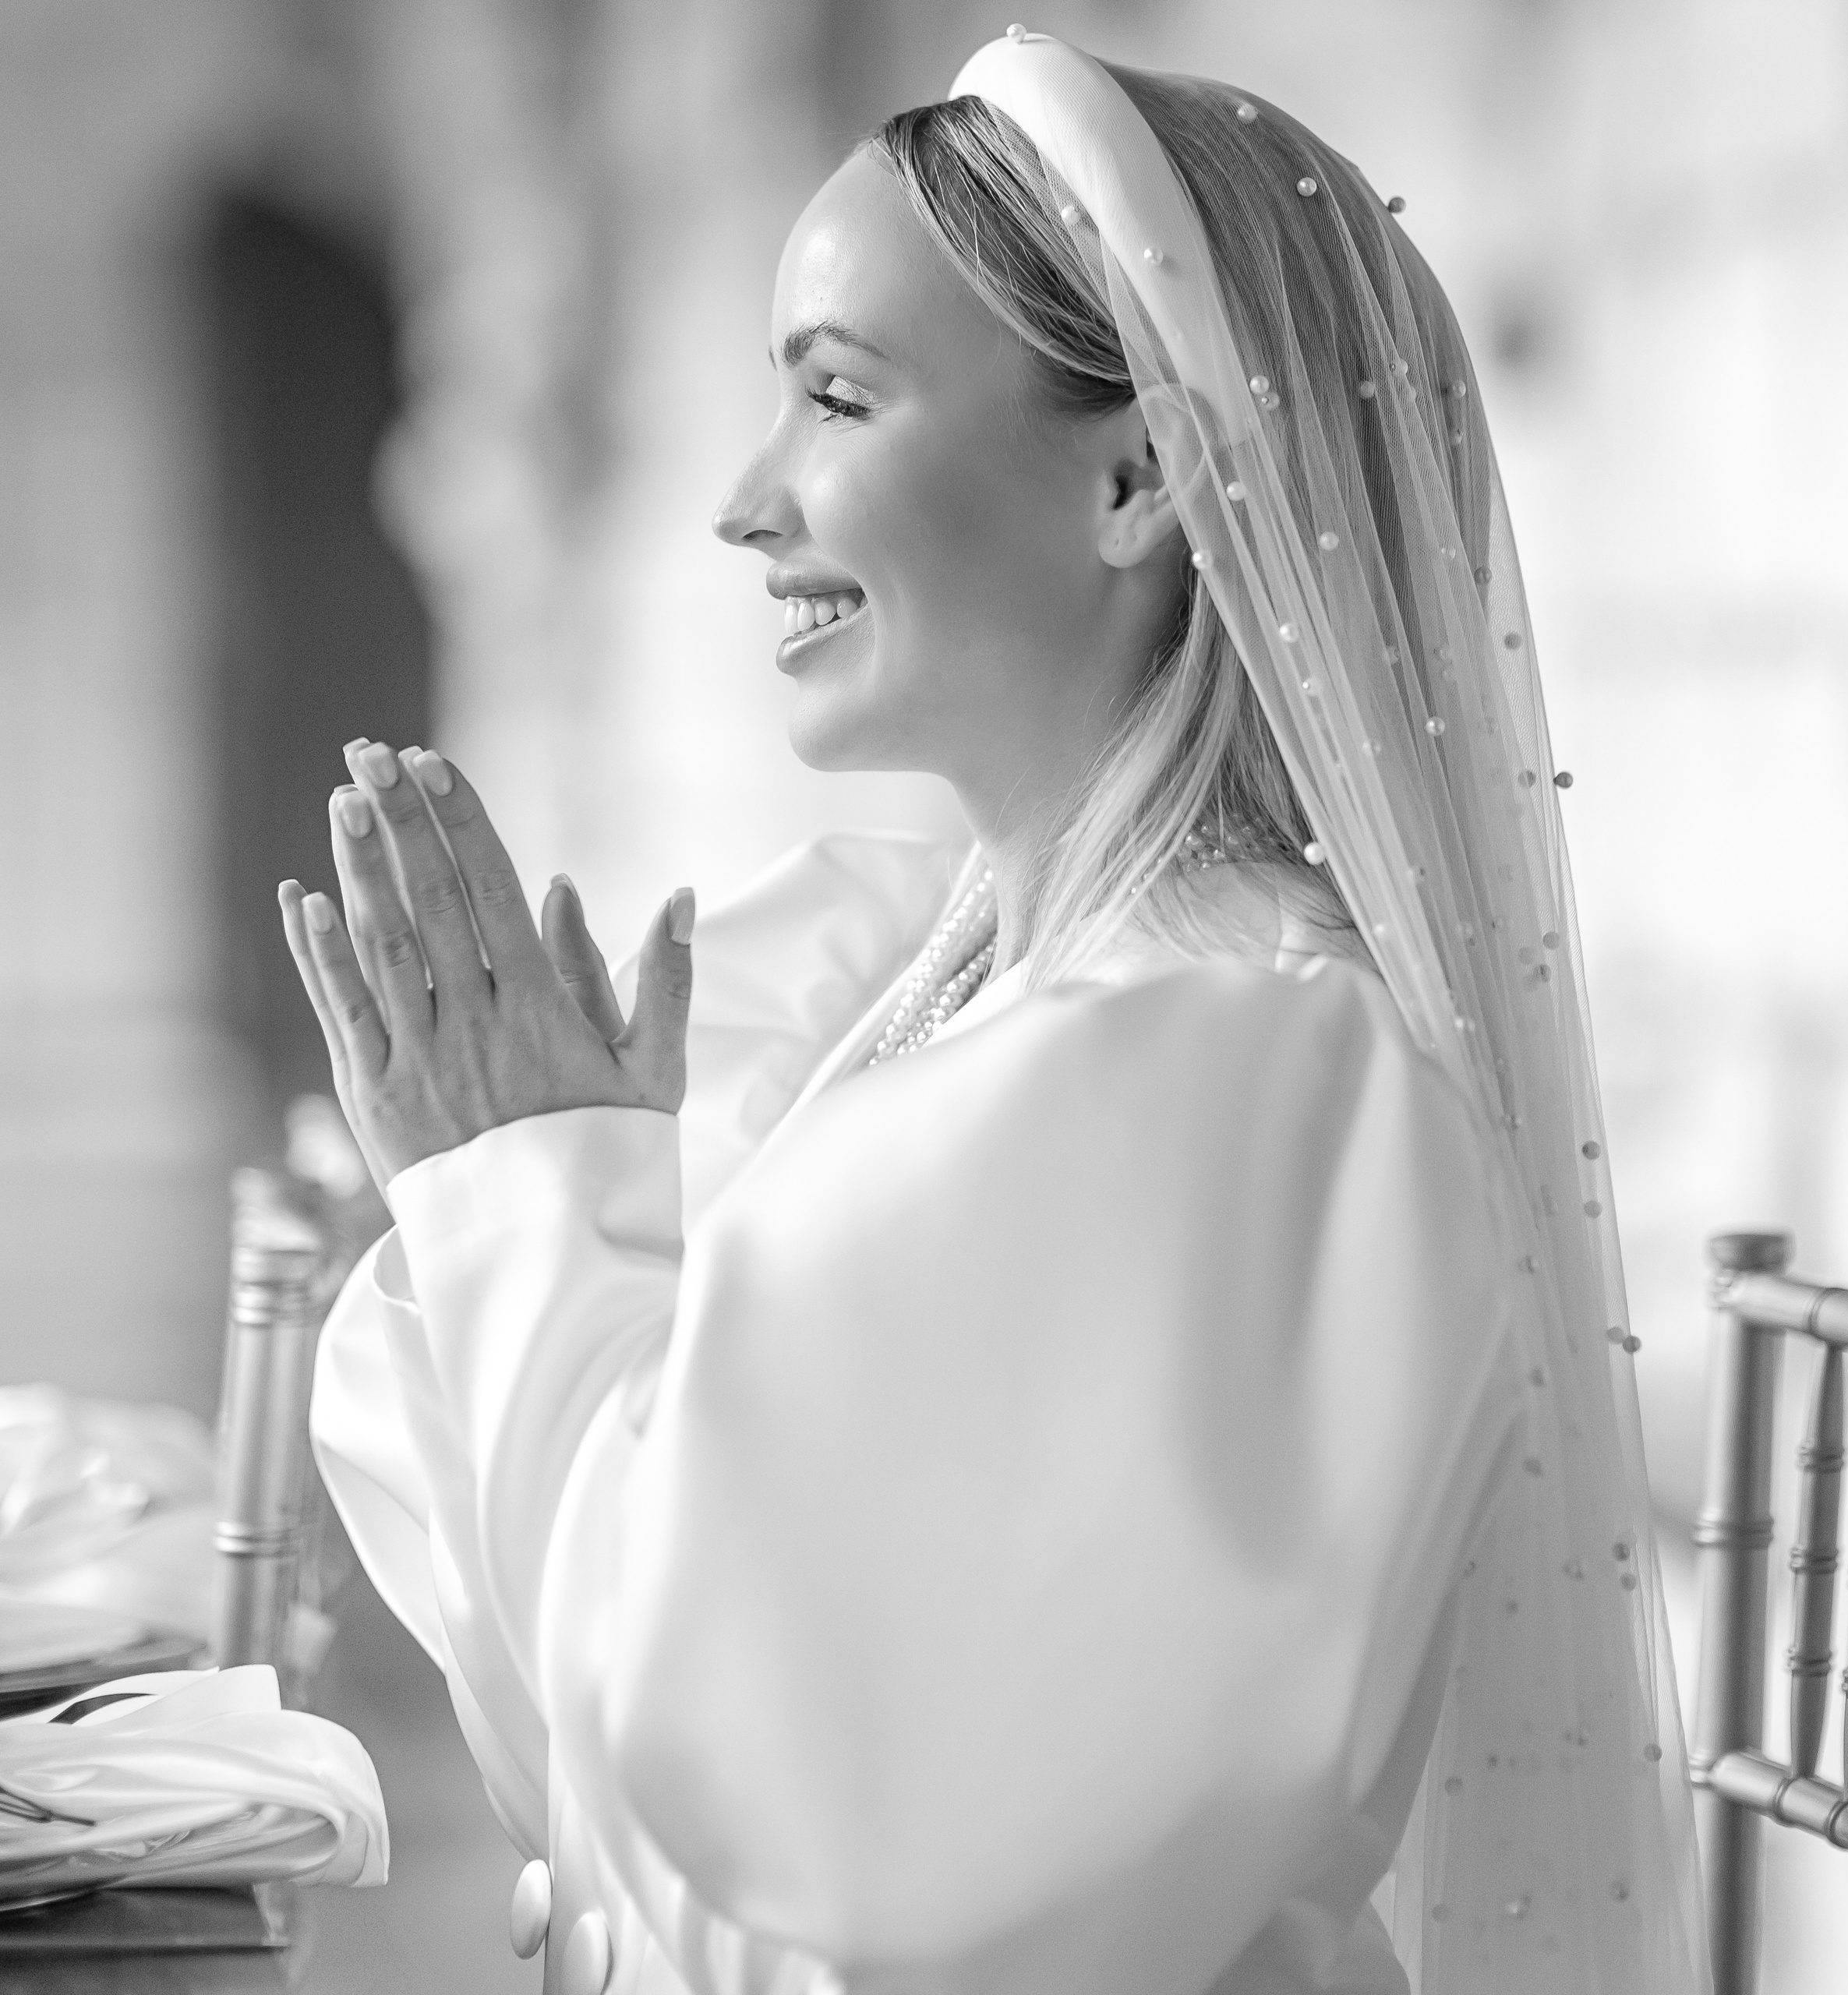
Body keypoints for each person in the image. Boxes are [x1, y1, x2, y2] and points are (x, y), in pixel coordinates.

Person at [289, 33, 1707, 1995]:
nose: (741, 501)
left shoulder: (1240, 1063)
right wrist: (517, 1204)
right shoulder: (947, 975)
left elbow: (797, 1820)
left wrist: (540, 1212)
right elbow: (605, 1762)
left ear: (1136, 475)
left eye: (834, 397)